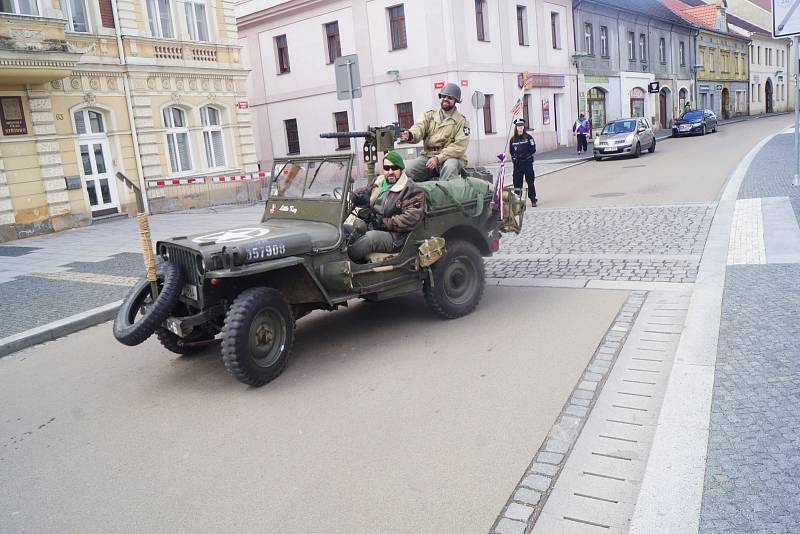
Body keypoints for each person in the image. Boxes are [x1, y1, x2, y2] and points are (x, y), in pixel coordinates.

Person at [348, 151, 426, 262]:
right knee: (344, 230)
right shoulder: (379, 181)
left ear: (401, 170)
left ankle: (346, 262)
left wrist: (382, 222)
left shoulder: (411, 189)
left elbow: (411, 219)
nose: (390, 172)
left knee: (369, 239)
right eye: (386, 168)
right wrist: (357, 196)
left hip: (395, 236)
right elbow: (364, 191)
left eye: (394, 168)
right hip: (373, 226)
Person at [398, 82, 470, 182]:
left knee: (449, 168)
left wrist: (438, 158)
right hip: (429, 156)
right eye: (443, 96)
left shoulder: (462, 121)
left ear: (456, 100)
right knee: (410, 171)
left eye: (449, 97)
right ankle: (416, 196)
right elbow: (419, 128)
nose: (445, 99)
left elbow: (459, 147)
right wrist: (410, 135)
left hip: (451, 157)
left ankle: (446, 195)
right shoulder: (429, 116)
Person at [509, 118, 537, 207]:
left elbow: (533, 149)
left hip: (527, 163)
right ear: (516, 127)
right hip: (518, 165)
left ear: (524, 127)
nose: (520, 128)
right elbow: (511, 151)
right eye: (518, 126)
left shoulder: (529, 138)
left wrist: (526, 155)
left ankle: (533, 199)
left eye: (521, 126)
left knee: (530, 182)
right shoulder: (513, 139)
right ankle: (518, 201)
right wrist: (514, 158)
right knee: (517, 183)